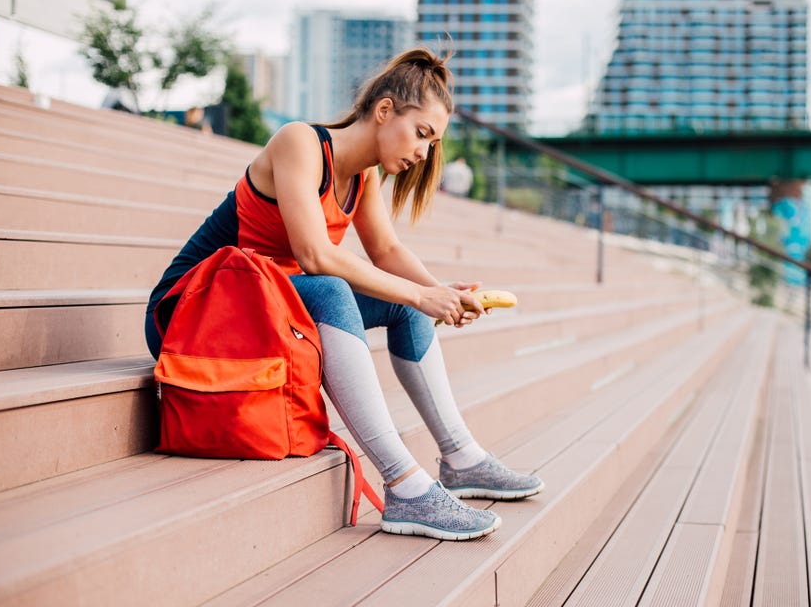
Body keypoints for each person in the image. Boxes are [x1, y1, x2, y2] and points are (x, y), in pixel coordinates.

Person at [145, 48, 543, 541]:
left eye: (433, 143)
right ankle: (404, 486)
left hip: (267, 309)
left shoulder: (363, 175)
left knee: (402, 301)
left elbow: (386, 248)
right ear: (383, 111)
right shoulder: (300, 143)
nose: (424, 153)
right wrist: (421, 295)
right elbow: (315, 255)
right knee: (337, 288)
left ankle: (461, 459)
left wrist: (437, 291)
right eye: (422, 134)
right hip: (192, 314)